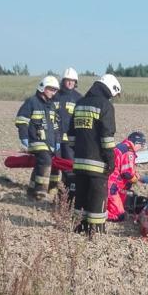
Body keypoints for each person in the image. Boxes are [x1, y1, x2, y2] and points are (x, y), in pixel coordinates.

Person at [68, 74, 121, 234]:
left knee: (81, 196)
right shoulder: (105, 106)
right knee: (98, 197)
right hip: (98, 164)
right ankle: (96, 231)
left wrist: (79, 151)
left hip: (78, 162)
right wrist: (110, 160)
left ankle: (78, 227)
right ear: (110, 89)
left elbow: (71, 136)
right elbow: (107, 137)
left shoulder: (79, 104)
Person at [15, 76, 61, 200]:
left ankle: (31, 189)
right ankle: (40, 191)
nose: (53, 92)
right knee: (45, 161)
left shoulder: (51, 106)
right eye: (50, 89)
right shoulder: (32, 102)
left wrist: (58, 140)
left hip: (50, 142)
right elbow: (21, 120)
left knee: (40, 164)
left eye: (55, 90)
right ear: (42, 88)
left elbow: (55, 125)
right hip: (37, 141)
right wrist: (24, 137)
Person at [106, 131, 148, 221]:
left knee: (124, 206)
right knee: (120, 215)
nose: (140, 149)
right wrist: (138, 179)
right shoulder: (128, 152)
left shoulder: (121, 147)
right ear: (137, 143)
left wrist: (136, 175)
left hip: (113, 184)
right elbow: (127, 174)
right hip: (112, 186)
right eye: (141, 146)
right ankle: (96, 215)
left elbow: (124, 168)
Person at [54, 67, 83, 200]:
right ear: (63, 81)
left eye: (73, 81)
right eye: (68, 80)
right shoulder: (55, 96)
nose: (70, 83)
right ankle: (50, 189)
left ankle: (66, 193)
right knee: (53, 165)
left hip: (70, 141)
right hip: (54, 138)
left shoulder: (79, 98)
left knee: (69, 167)